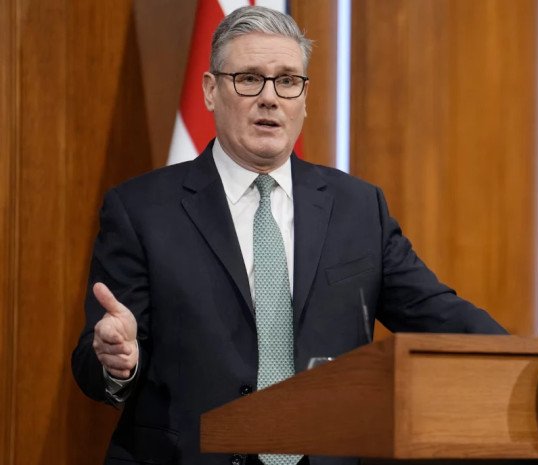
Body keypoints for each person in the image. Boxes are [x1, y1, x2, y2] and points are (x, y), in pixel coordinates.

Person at [72, 6, 507, 465]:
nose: (270, 98)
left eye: (287, 80)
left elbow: (438, 316)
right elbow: (91, 363)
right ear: (210, 90)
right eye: (249, 79)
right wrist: (117, 361)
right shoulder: (141, 210)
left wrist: (534, 363)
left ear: (304, 97)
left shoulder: (359, 208)